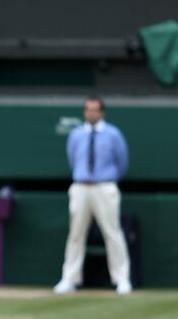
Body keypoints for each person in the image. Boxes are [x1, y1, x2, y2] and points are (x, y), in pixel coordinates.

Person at [53, 97, 132, 296]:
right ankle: (69, 279)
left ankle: (122, 279)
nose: (91, 113)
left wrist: (106, 179)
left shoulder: (114, 134)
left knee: (113, 233)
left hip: (105, 187)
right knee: (76, 235)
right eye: (88, 109)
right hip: (80, 188)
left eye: (95, 110)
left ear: (102, 112)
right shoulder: (76, 135)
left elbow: (122, 162)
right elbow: (73, 159)